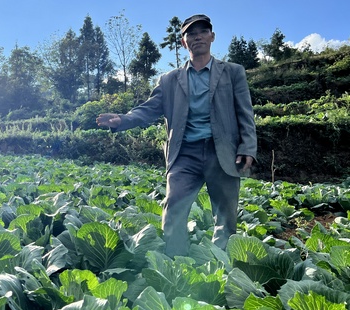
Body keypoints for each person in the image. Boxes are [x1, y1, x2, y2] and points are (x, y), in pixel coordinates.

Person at [96, 14, 257, 258]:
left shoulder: (233, 72)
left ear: (212, 37)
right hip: (185, 155)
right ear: (184, 43)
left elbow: (245, 112)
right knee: (173, 212)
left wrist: (248, 147)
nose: (198, 37)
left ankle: (219, 267)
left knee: (226, 217)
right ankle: (175, 266)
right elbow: (149, 108)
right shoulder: (170, 80)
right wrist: (124, 119)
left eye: (203, 31)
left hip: (221, 151)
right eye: (191, 34)